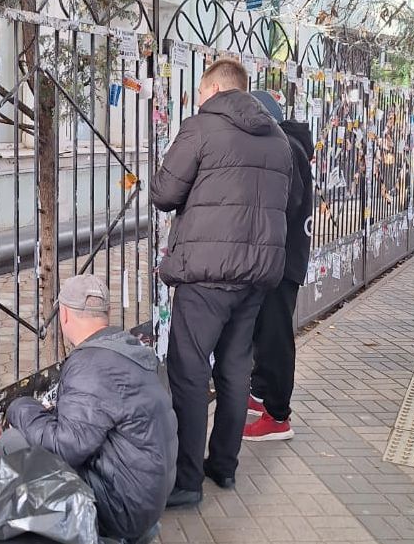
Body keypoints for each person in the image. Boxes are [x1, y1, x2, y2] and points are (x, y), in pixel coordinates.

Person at [150, 59, 293, 506]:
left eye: (199, 92)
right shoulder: (279, 139)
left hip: (206, 273)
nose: (197, 99)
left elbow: (163, 194)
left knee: (189, 371)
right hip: (257, 275)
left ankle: (187, 481)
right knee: (234, 370)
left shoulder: (201, 127)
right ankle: (224, 467)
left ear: (213, 90)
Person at [3, 275, 177, 544]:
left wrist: (20, 407)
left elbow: (65, 447)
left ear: (64, 315)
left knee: (12, 444)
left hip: (125, 506)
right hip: (151, 493)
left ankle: (82, 535)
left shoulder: (91, 364)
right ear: (107, 313)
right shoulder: (128, 347)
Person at [242, 91, 314, 442]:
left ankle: (278, 416)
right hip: (276, 256)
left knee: (275, 336)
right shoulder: (287, 145)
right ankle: (260, 393)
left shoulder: (288, 149)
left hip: (281, 259)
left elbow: (285, 203)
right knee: (264, 331)